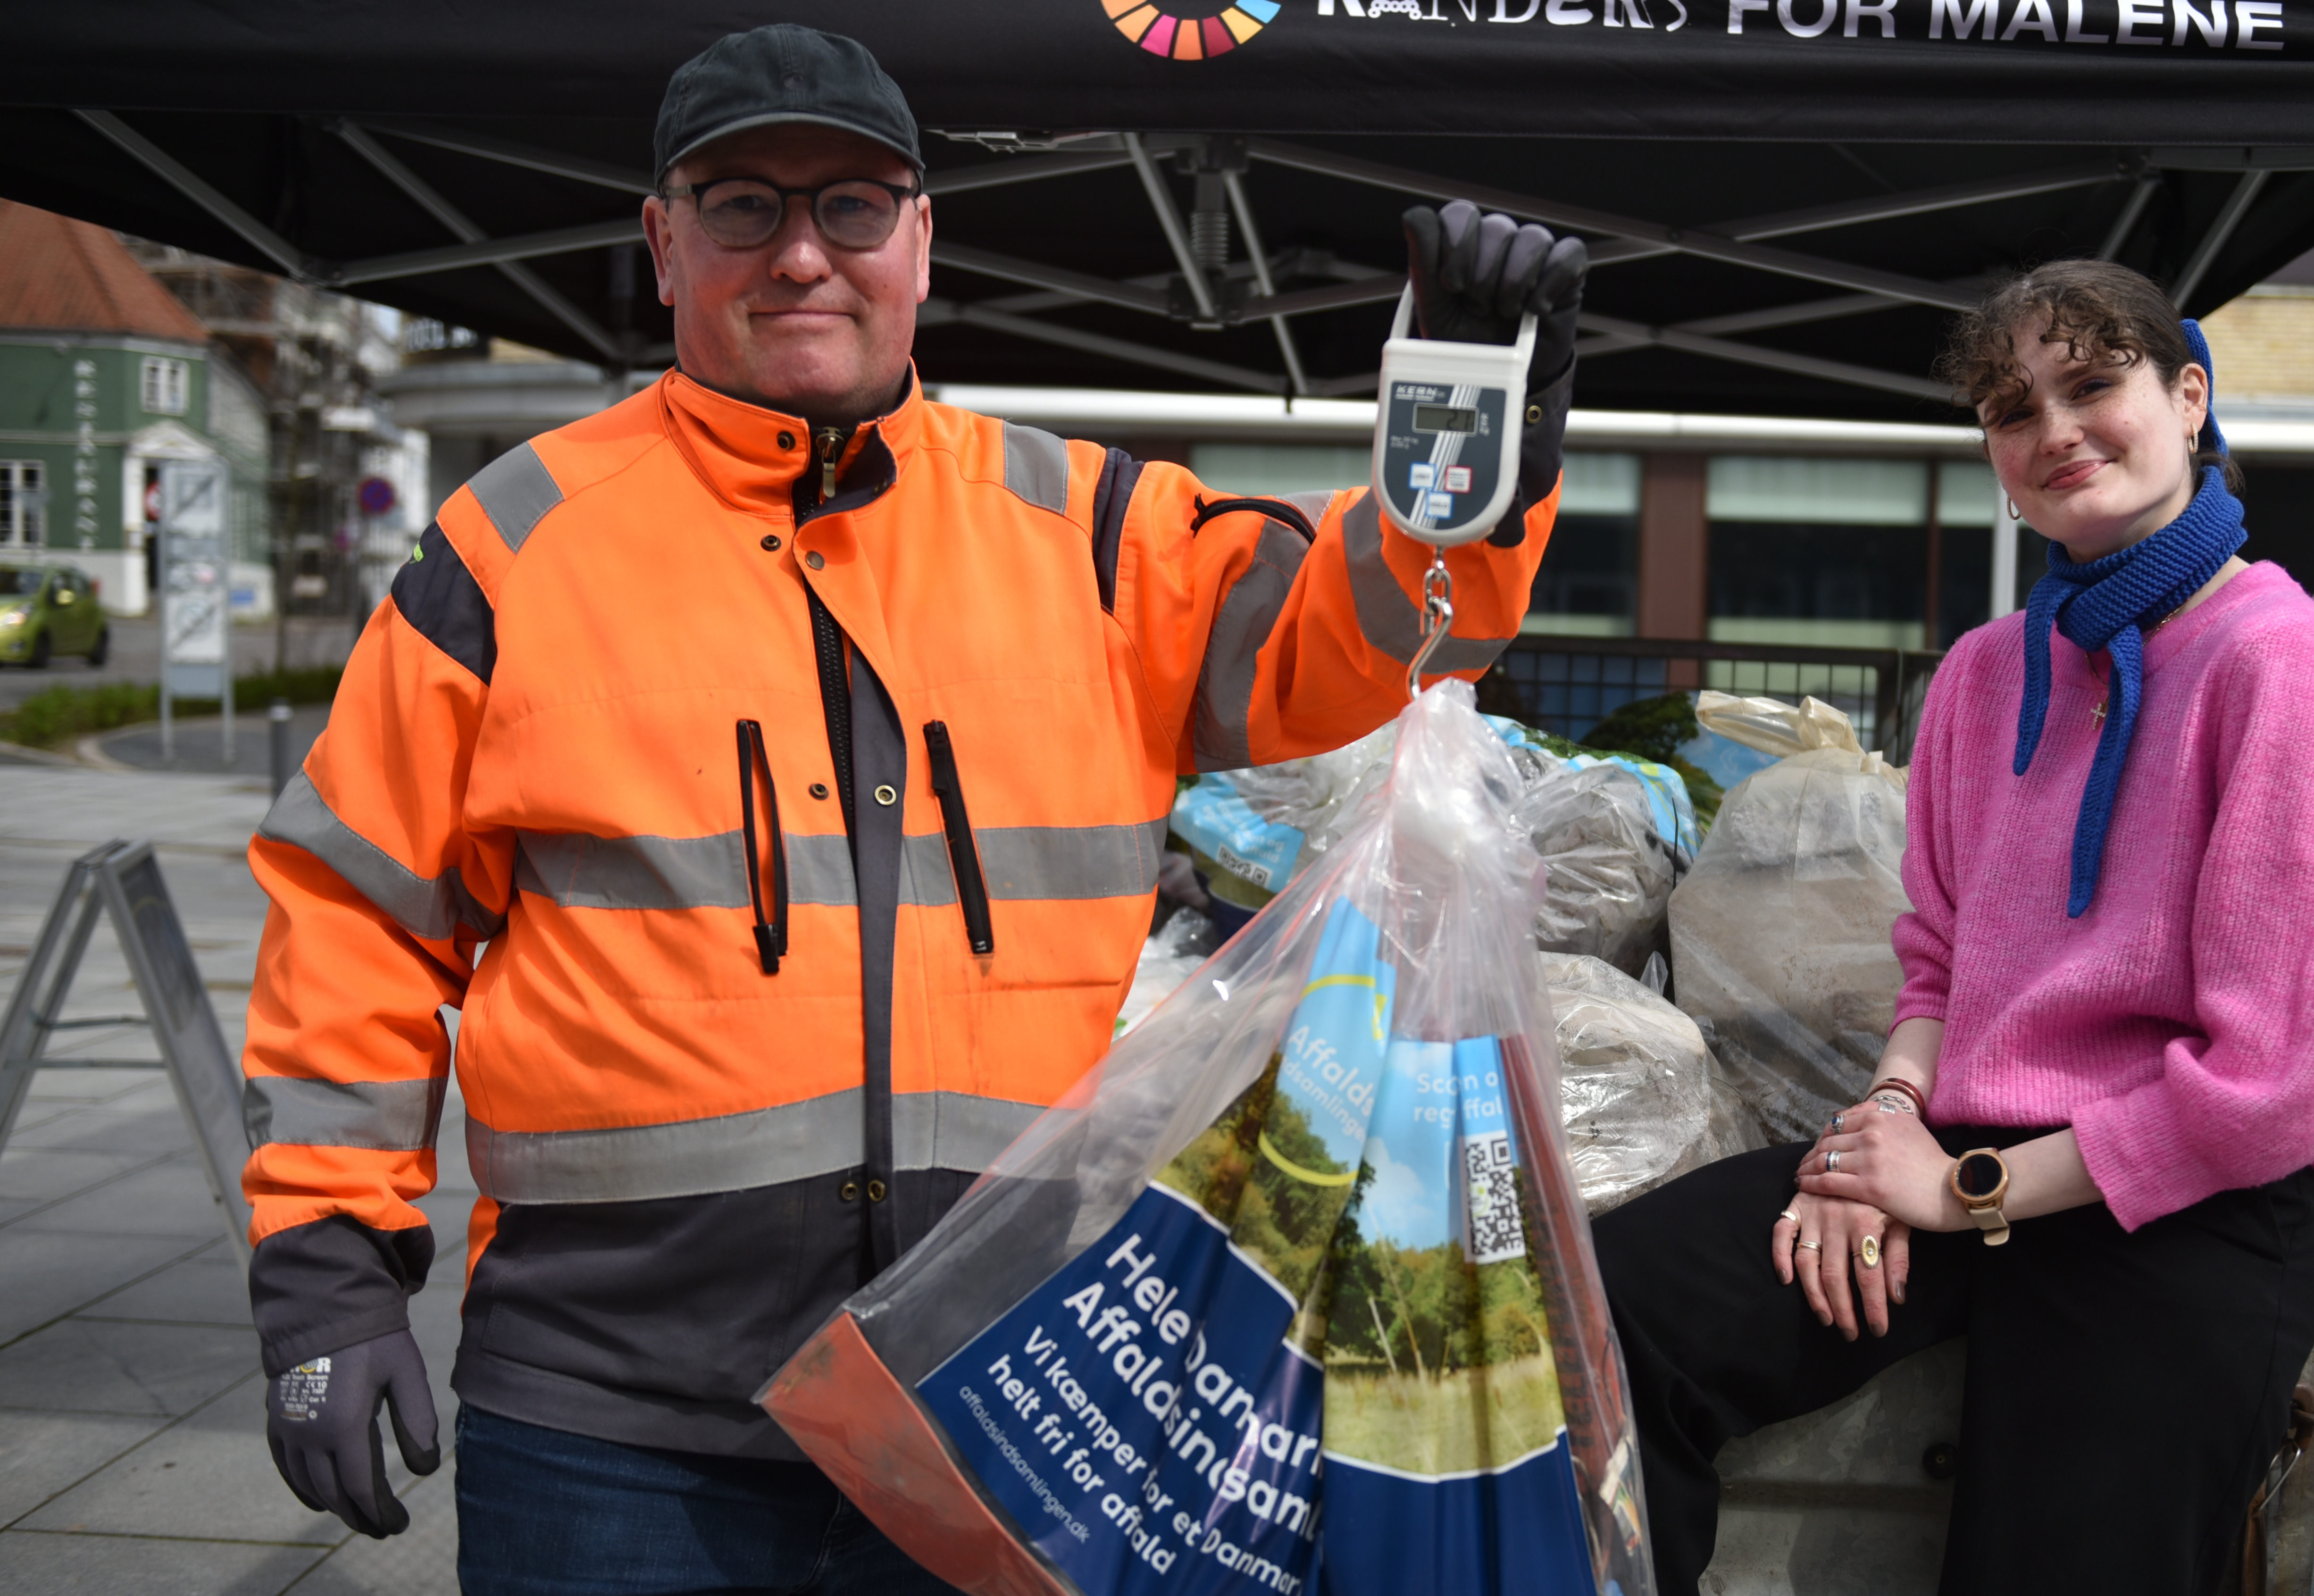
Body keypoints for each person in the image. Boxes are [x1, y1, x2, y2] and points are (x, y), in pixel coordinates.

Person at [236, 24, 1588, 1593]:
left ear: (922, 243)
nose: (803, 253)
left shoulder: (1091, 532)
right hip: (611, 1418)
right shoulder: (508, 549)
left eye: (855, 208)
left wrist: (1475, 462)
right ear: (662, 245)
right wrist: (328, 1279)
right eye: (744, 206)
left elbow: (1369, 646)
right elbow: (353, 919)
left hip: (999, 1406)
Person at [1594, 259, 2314, 1594]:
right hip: (1971, 1153)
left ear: (2189, 398)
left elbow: (2275, 1093)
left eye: (2093, 385)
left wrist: (1963, 1198)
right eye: (2015, 410)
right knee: (1607, 1312)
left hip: (2181, 1212)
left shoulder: (2285, 662)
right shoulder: (1985, 674)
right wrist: (1889, 1126)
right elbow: (1944, 963)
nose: (2055, 431)